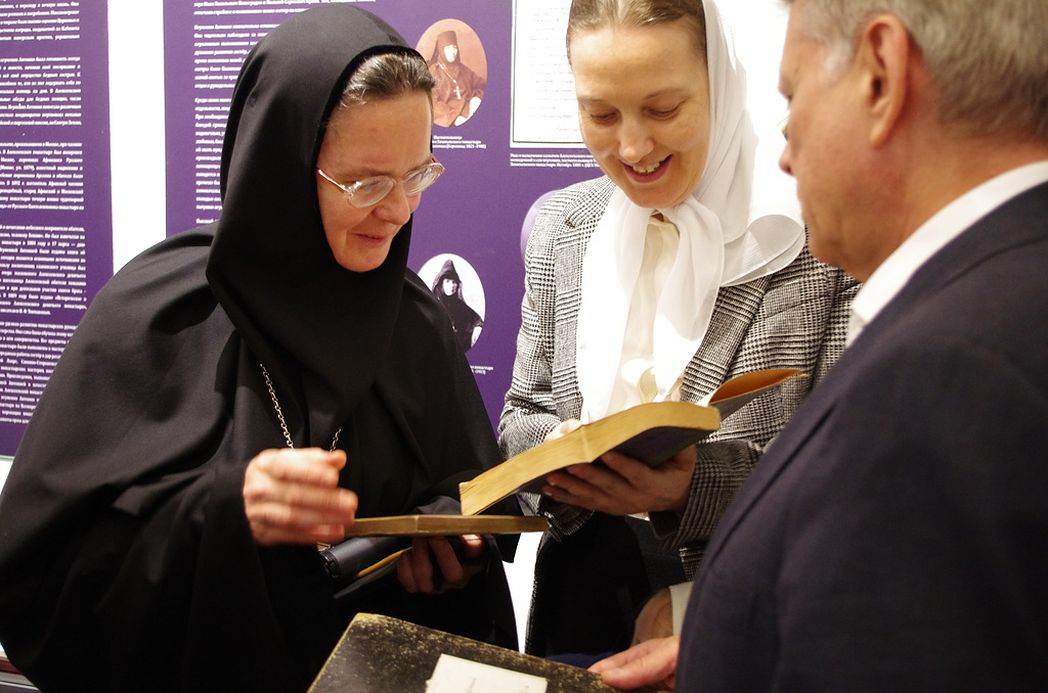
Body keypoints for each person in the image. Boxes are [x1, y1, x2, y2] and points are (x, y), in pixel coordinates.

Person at [0, 6, 518, 691]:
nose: (398, 210)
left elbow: (464, 498)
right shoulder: (162, 316)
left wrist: (449, 544)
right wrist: (222, 510)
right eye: (367, 183)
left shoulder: (414, 321)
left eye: (417, 175)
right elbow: (45, 576)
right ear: (282, 168)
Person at [592, 0, 1048, 689]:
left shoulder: (955, 365)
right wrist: (728, 640)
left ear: (880, 76)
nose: (783, 151)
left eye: (793, 96)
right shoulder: (990, 302)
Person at [498, 0, 856, 657]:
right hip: (580, 590)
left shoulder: (815, 239)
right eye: (601, 115)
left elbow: (848, 476)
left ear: (721, 83)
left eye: (663, 109)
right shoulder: (562, 227)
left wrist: (694, 485)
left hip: (744, 598)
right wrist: (559, 451)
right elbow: (521, 413)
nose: (633, 148)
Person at [427, 29, 486, 127]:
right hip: (448, 117)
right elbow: (432, 104)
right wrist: (454, 118)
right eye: (448, 48)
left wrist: (476, 99)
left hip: (469, 110)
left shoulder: (463, 69)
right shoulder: (433, 72)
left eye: (454, 48)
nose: (452, 52)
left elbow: (481, 85)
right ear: (441, 50)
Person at [430, 258, 483, 351]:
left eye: (454, 282)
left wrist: (477, 328)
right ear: (441, 283)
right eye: (447, 281)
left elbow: (477, 320)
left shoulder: (459, 305)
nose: (452, 285)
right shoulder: (432, 304)